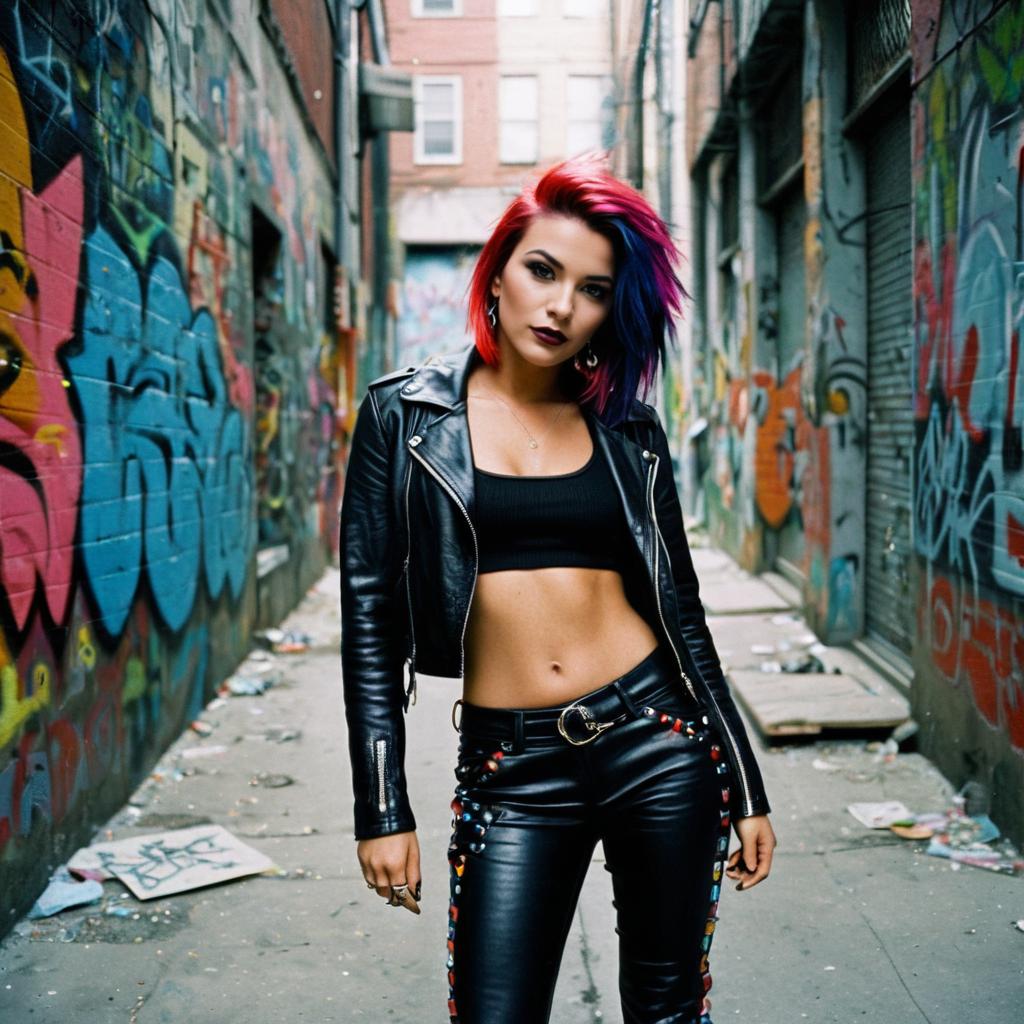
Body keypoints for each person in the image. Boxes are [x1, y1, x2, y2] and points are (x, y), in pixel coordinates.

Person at [339, 154, 776, 1024]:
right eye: (542, 270)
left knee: (667, 1007)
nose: (560, 305)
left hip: (658, 739)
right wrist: (382, 804)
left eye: (593, 289)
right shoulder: (403, 414)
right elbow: (369, 614)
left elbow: (681, 611)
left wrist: (746, 783)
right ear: (498, 269)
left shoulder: (627, 426)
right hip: (512, 767)